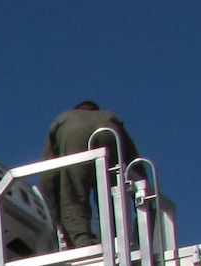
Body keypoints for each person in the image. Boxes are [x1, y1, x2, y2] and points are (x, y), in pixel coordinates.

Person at [42, 101, 140, 248]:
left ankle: (82, 242)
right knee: (111, 194)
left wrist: (52, 209)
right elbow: (134, 162)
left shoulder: (64, 118)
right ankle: (111, 240)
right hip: (110, 132)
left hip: (72, 132)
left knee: (73, 193)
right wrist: (143, 197)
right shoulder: (109, 117)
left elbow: (49, 174)